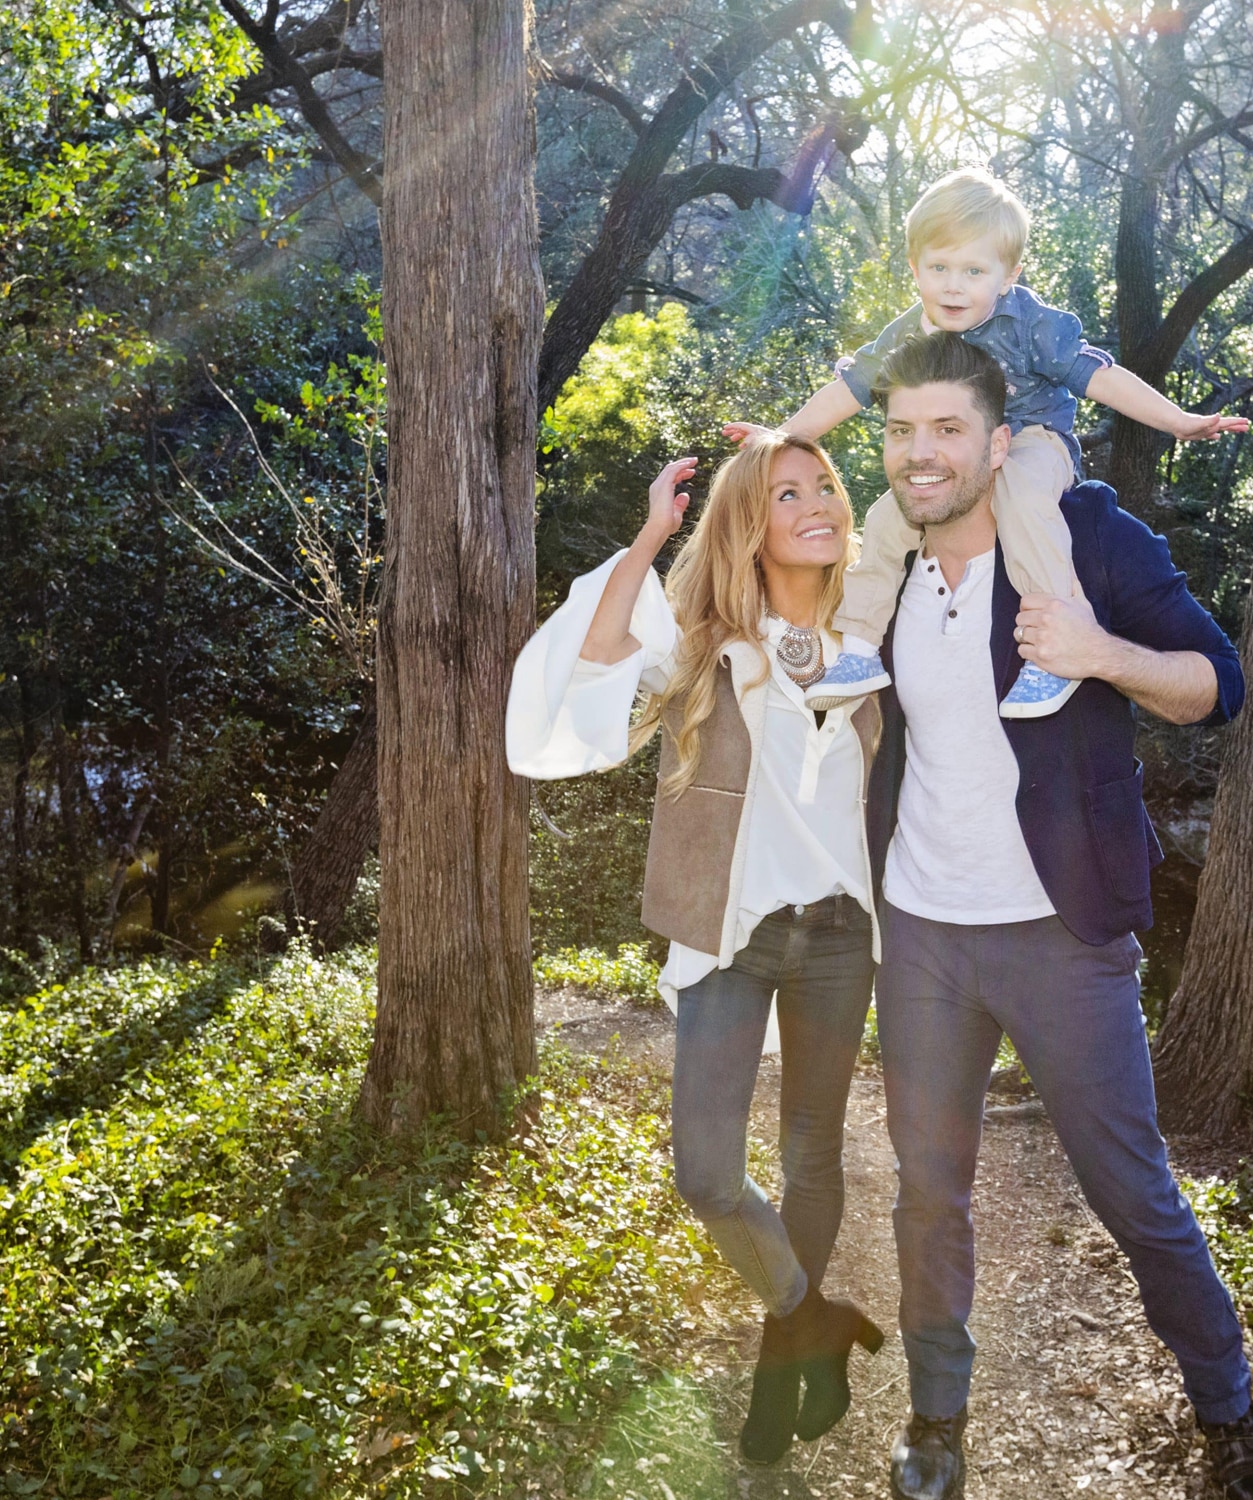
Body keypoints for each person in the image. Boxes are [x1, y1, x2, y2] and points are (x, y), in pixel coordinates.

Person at [860, 332, 1253, 1500]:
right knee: (926, 1187)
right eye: (900, 429)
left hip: (1063, 933)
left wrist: (1100, 653)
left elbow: (1217, 683)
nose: (921, 452)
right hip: (925, 936)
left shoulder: (1087, 536)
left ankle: (1228, 1409)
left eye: (946, 428)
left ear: (1001, 441)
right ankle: (937, 1416)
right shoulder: (882, 558)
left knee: (1133, 1193)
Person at [506, 435, 884, 1467]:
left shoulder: (868, 633)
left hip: (845, 934)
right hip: (733, 935)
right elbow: (589, 675)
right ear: (749, 527)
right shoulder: (704, 641)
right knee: (709, 1175)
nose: (815, 504)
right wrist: (653, 533)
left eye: (825, 488)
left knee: (813, 1155)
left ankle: (782, 1363)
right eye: (784, 494)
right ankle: (809, 1316)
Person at [725, 167, 1248, 719]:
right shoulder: (907, 334)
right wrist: (785, 435)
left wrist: (1176, 421)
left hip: (1032, 439)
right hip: (959, 467)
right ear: (915, 268)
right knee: (882, 522)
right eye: (939, 267)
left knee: (1021, 499)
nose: (954, 285)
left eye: (973, 270)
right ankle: (858, 651)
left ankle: (1051, 649)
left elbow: (1100, 376)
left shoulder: (1029, 324)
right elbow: (850, 390)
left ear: (1008, 275)